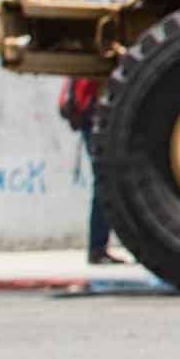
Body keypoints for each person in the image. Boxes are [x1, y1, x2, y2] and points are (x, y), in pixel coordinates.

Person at [57, 75, 123, 265]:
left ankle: (98, 247)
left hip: (91, 120)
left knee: (105, 182)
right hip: (93, 119)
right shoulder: (94, 68)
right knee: (105, 183)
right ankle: (97, 247)